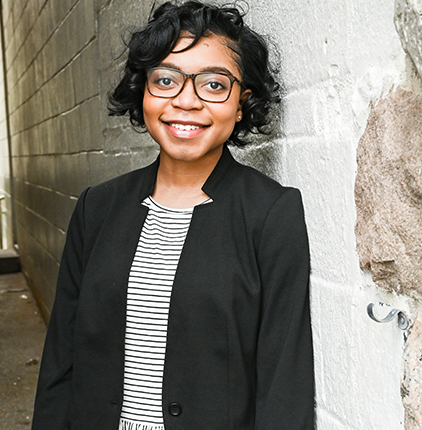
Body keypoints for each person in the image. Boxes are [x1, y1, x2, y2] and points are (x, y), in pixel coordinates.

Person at [31, 1, 314, 429]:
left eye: (214, 85)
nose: (186, 101)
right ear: (143, 91)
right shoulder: (97, 208)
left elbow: (283, 386)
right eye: (165, 80)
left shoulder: (271, 214)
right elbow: (60, 364)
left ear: (242, 102)